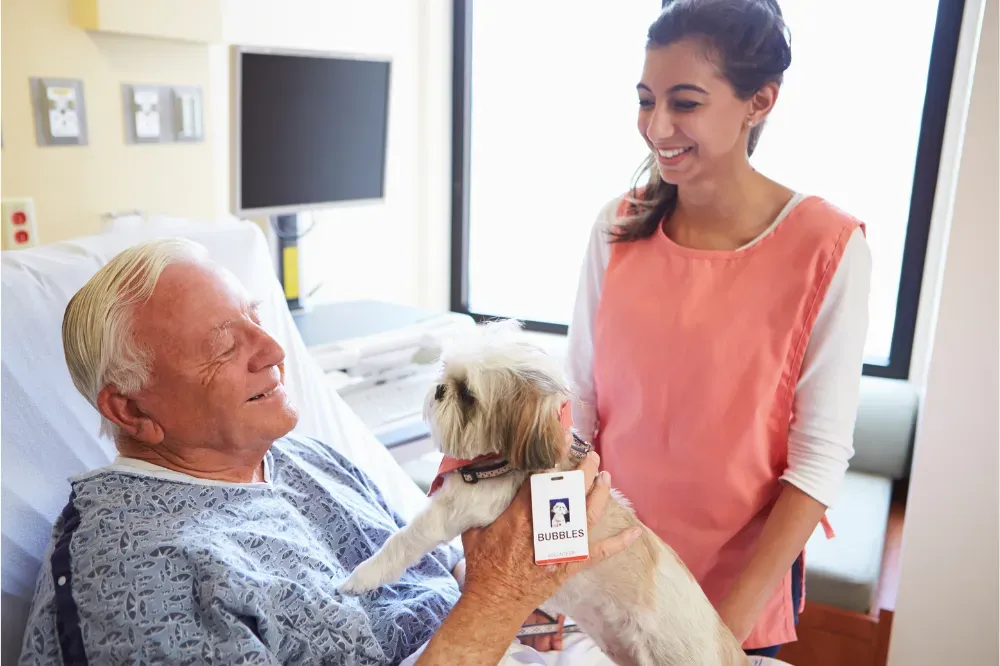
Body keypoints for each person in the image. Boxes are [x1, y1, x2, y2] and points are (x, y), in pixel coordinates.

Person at [19, 238, 639, 665]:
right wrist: (498, 596)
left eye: (257, 318)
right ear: (131, 410)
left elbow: (433, 576)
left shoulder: (304, 459)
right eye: (224, 344)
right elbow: (482, 596)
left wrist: (528, 591)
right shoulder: (133, 573)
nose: (273, 350)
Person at [567, 0, 872, 658]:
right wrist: (547, 568)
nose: (657, 127)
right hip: (607, 569)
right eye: (646, 100)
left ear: (759, 101)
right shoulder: (615, 228)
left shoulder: (828, 248)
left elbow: (817, 462)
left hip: (733, 592)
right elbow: (578, 414)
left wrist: (715, 635)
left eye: (685, 102)